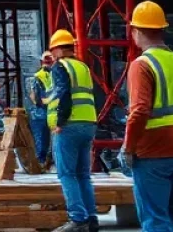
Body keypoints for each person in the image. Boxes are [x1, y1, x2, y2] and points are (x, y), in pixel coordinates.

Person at [120, 2, 173, 232]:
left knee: (155, 219)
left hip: (153, 154)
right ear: (162, 29)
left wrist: (128, 148)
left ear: (136, 31)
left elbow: (139, 110)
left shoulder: (142, 65)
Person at [46, 30, 98, 232]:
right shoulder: (82, 66)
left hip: (70, 125)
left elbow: (64, 94)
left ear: (58, 49)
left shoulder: (60, 66)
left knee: (67, 174)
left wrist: (60, 121)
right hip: (88, 122)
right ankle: (91, 219)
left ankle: (78, 219)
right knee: (83, 174)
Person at [30, 52, 55, 167]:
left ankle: (41, 162)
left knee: (41, 139)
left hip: (41, 111)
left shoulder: (38, 76)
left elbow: (34, 96)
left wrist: (38, 102)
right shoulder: (58, 74)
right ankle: (51, 161)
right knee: (56, 139)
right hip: (55, 110)